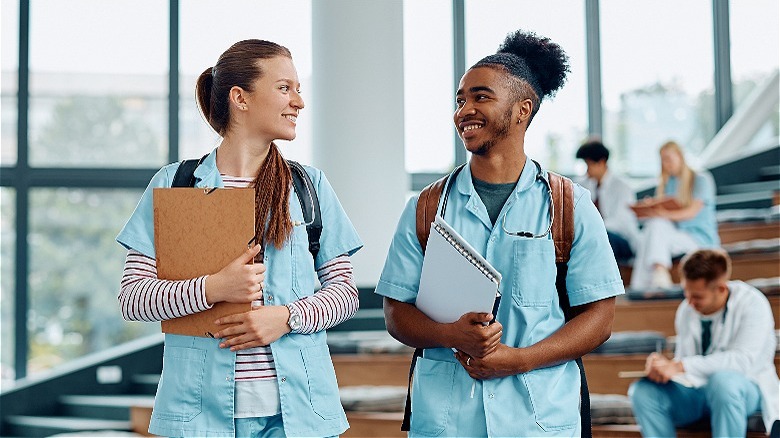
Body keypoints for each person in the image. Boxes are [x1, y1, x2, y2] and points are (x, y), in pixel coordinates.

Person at [375, 29, 624, 437]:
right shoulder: (424, 207)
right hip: (446, 421)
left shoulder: (569, 205)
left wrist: (521, 359)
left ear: (523, 109)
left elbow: (600, 318)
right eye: (460, 99)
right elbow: (396, 313)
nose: (464, 110)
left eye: (480, 97)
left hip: (539, 419)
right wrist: (448, 334)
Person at [116, 40, 362, 437]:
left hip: (298, 416)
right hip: (198, 416)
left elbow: (346, 293)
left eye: (299, 90)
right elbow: (133, 299)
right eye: (285, 88)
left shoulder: (308, 186)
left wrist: (285, 317)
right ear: (239, 98)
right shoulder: (175, 186)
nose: (298, 102)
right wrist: (214, 288)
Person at [629, 249, 779, 437]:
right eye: (686, 293)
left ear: (721, 289)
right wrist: (662, 370)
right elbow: (685, 367)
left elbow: (741, 362)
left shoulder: (753, 303)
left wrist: (679, 366)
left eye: (697, 297)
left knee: (723, 382)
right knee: (642, 391)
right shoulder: (686, 309)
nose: (690, 302)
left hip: (744, 389)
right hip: (698, 392)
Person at [629, 141, 719, 290]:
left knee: (657, 225)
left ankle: (648, 280)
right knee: (651, 228)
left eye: (668, 159)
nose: (666, 164)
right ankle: (650, 278)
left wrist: (664, 213)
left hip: (698, 238)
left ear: (680, 156)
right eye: (663, 160)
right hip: (675, 236)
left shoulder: (701, 179)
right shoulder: (668, 183)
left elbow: (692, 212)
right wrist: (652, 208)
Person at [575, 138, 639, 264]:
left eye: (589, 164)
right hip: (593, 234)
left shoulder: (622, 187)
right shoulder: (583, 185)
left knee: (602, 237)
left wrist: (592, 227)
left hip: (621, 239)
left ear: (602, 162)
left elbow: (621, 222)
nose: (587, 170)